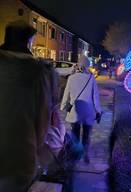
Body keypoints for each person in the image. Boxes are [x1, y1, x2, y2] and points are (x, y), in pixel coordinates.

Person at [0, 20, 57, 192]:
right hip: (18, 155)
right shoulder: (39, 72)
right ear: (29, 41)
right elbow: (43, 117)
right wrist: (37, 147)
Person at [61, 55, 102, 163]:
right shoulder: (91, 78)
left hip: (76, 111)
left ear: (78, 64)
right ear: (88, 66)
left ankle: (76, 155)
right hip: (88, 112)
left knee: (75, 134)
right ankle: (85, 154)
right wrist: (98, 111)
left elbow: (66, 94)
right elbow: (95, 97)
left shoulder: (71, 78)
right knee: (86, 135)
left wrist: (63, 106)